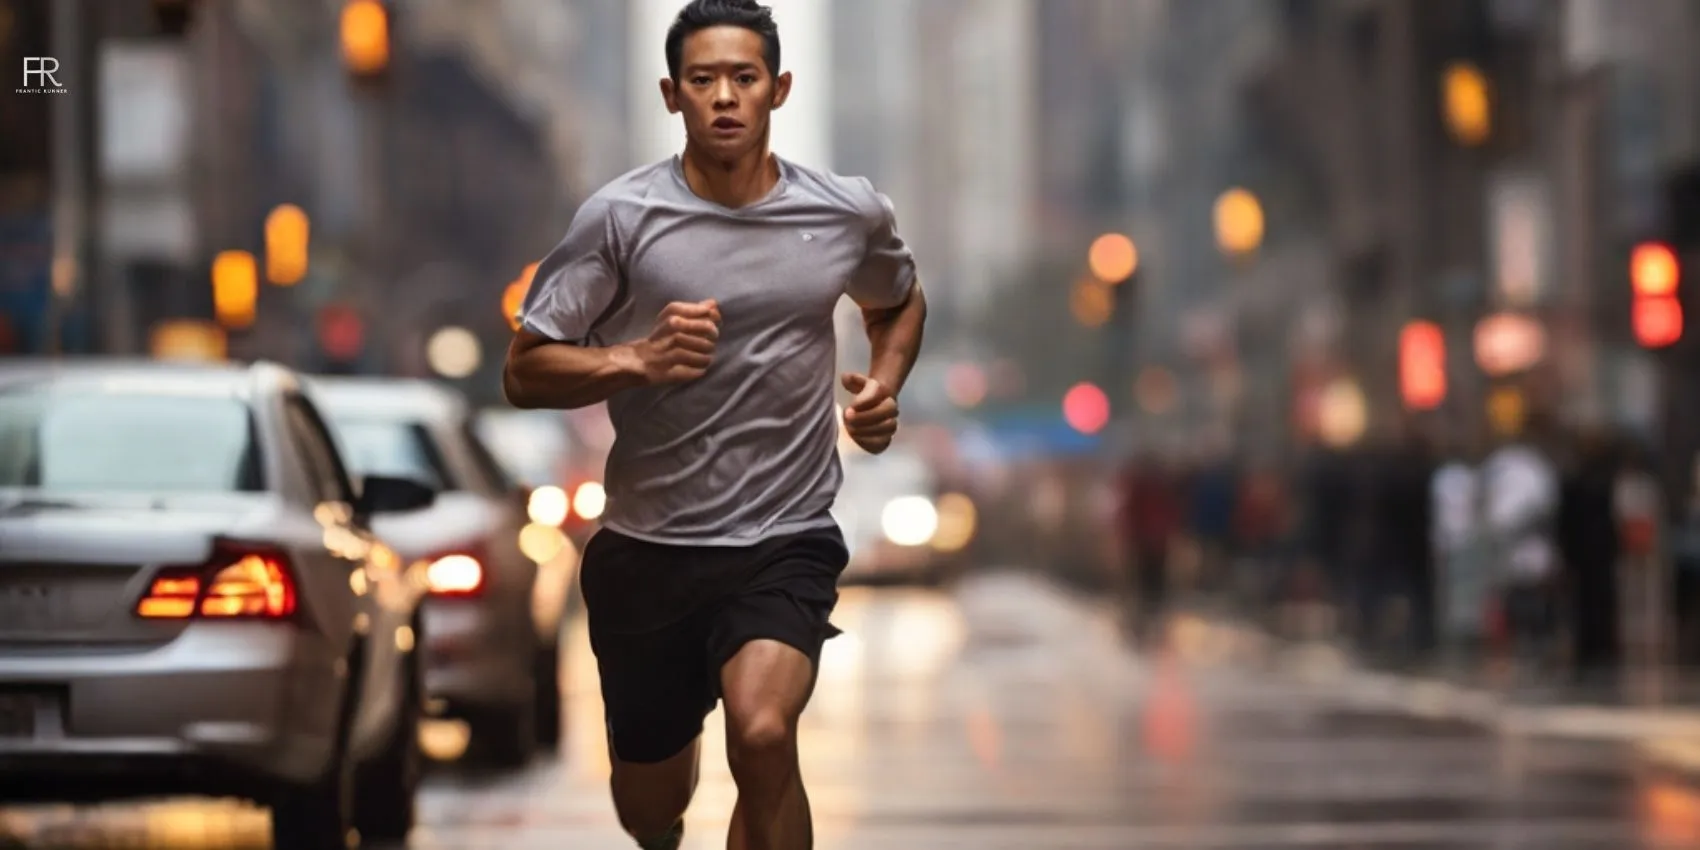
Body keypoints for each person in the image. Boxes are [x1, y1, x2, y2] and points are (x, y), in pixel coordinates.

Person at [502, 2, 925, 847]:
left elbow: (899, 300)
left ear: (780, 89)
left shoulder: (843, 214)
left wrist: (881, 386)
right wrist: (637, 359)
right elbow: (524, 367)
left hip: (783, 537)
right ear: (672, 95)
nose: (724, 97)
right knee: (651, 808)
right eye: (703, 80)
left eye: (744, 77)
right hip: (649, 552)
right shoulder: (621, 220)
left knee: (765, 735)